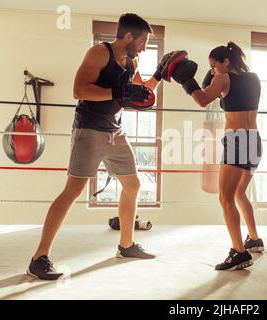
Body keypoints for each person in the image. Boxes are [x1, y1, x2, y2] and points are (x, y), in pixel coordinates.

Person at [28, 13, 172, 280]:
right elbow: (79, 90)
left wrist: (161, 74)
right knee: (74, 189)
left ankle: (126, 245)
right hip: (89, 128)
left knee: (133, 184)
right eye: (142, 41)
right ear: (128, 36)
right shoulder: (98, 53)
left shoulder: (132, 61)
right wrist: (119, 93)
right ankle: (39, 258)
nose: (143, 47)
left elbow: (142, 92)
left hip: (115, 131)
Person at [170, 42, 265, 271]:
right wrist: (212, 77)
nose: (213, 70)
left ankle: (239, 253)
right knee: (240, 193)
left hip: (237, 142)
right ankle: (253, 239)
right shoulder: (253, 77)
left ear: (225, 62)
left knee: (225, 197)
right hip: (255, 141)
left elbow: (203, 99)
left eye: (214, 65)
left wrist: (187, 81)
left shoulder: (224, 79)